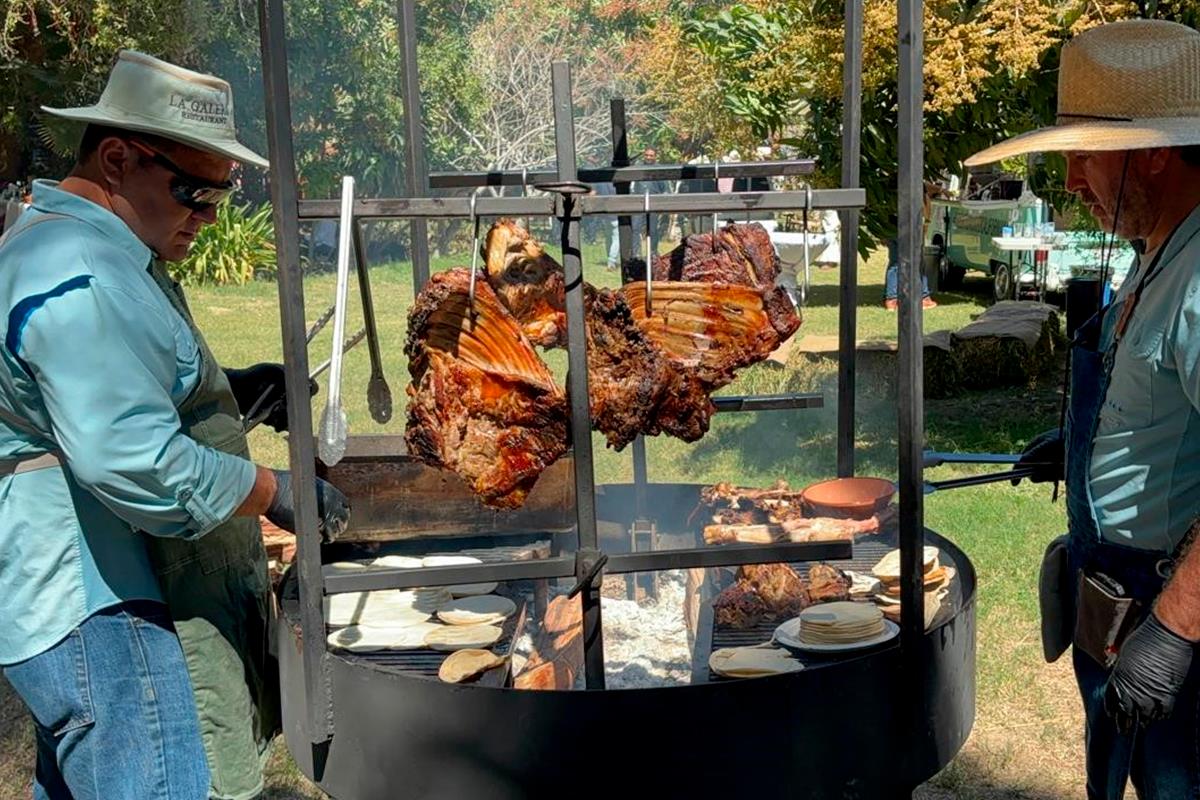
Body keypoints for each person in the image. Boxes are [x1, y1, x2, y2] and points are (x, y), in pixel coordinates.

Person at [0, 50, 350, 799]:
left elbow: (120, 388)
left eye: (221, 198)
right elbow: (131, 457)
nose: (207, 216)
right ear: (119, 157)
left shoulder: (92, 250)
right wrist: (270, 488)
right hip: (96, 598)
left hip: (78, 588)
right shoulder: (81, 271)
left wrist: (237, 392)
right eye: (195, 192)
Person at [970, 20, 1200, 799]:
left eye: (1084, 155)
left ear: (1156, 151)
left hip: (1173, 614)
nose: (1070, 181)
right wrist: (1081, 446)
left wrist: (1174, 630)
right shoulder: (1156, 253)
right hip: (1112, 603)